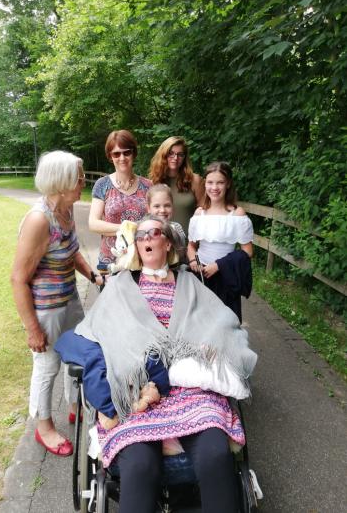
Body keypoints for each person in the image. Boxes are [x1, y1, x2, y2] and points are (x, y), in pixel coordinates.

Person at [55, 215, 257, 513]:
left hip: (192, 388)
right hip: (138, 389)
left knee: (215, 455)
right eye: (141, 235)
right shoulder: (120, 285)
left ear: (168, 242)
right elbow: (97, 332)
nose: (148, 238)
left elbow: (221, 324)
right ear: (136, 246)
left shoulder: (190, 282)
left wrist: (211, 346)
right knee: (140, 464)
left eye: (155, 232)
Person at [11, 150, 102, 457]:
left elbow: (72, 251)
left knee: (77, 354)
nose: (82, 181)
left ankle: (75, 404)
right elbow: (18, 278)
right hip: (45, 309)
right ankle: (44, 427)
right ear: (61, 182)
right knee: (47, 366)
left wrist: (93, 275)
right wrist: (32, 329)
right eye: (78, 177)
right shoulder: (40, 220)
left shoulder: (66, 210)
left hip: (70, 298)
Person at [187, 161, 254, 322]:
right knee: (201, 323)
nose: (214, 187)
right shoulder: (199, 213)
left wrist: (219, 265)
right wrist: (192, 259)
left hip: (225, 276)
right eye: (210, 182)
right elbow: (191, 245)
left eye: (220, 182)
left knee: (225, 323)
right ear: (205, 184)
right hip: (202, 276)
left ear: (228, 184)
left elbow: (248, 251)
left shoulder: (237, 214)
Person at [89, 129, 151, 267]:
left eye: (126, 152)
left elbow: (155, 221)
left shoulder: (149, 186)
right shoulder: (102, 185)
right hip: (110, 261)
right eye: (116, 154)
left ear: (133, 153)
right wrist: (128, 229)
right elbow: (93, 223)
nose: (122, 158)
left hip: (143, 261)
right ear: (110, 156)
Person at [148, 136, 204, 233]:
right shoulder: (153, 182)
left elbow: (206, 213)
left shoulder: (195, 181)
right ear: (163, 155)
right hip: (162, 242)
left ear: (184, 157)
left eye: (180, 154)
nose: (175, 158)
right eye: (171, 153)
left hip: (190, 243)